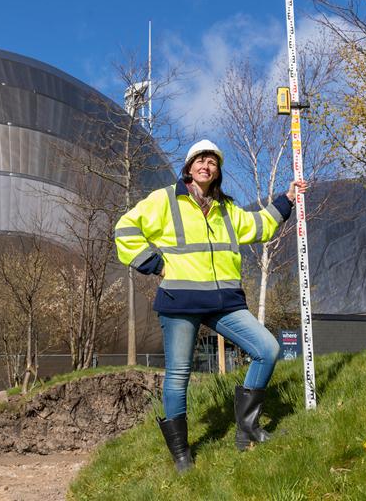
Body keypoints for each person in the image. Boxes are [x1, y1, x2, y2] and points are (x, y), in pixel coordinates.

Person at [114, 139, 307, 472]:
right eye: (200, 160)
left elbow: (260, 226)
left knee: (268, 349)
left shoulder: (227, 209)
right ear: (189, 167)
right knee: (178, 377)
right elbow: (125, 229)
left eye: (213, 162)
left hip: (225, 302)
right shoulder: (164, 200)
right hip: (180, 301)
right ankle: (181, 453)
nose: (206, 166)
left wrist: (287, 198)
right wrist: (155, 264)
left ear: (217, 171)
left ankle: (247, 431)